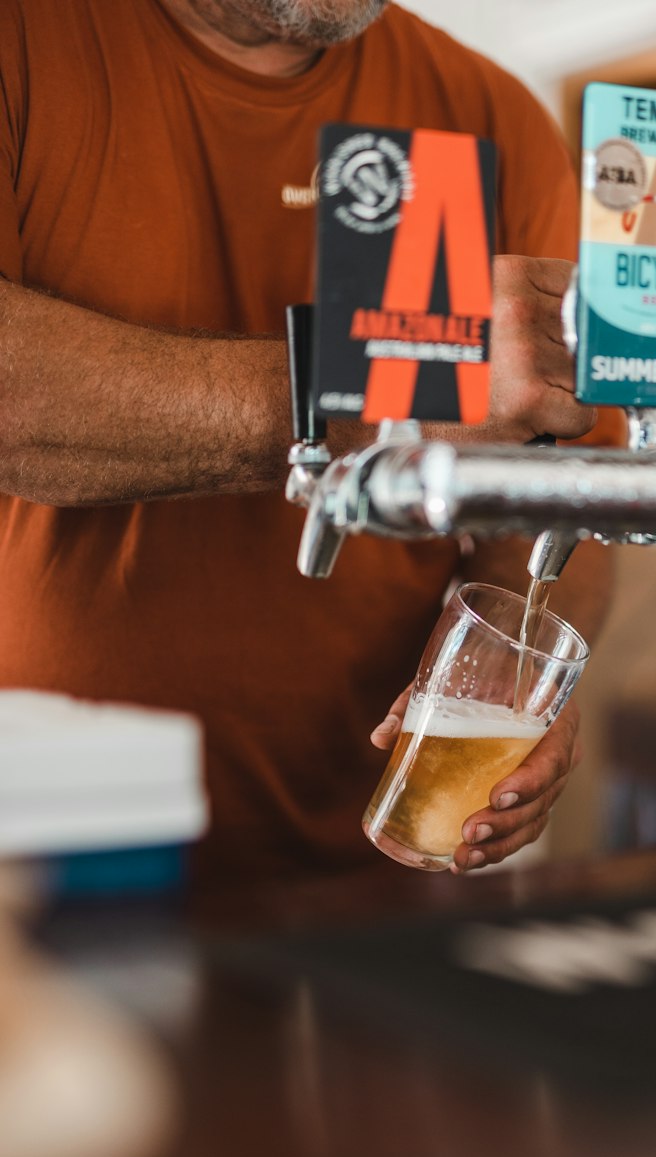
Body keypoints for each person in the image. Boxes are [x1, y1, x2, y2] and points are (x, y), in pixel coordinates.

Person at [0, 0, 614, 879]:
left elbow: (575, 478)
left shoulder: (489, 113)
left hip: (375, 864)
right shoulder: (27, 39)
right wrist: (389, 389)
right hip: (39, 857)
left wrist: (524, 674)